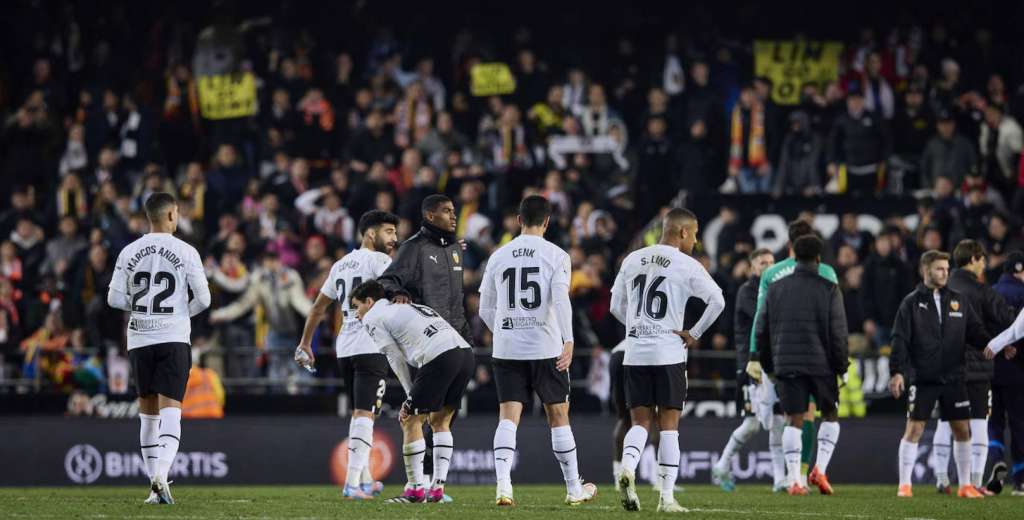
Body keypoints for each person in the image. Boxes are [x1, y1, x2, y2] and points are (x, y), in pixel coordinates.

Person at [478, 196, 597, 506]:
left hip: (507, 348)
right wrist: (568, 339)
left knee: (508, 416)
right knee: (558, 415)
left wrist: (504, 330)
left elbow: (484, 308)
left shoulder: (498, 256)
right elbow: (560, 299)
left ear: (519, 220)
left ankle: (503, 486)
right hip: (546, 347)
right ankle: (573, 488)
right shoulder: (556, 255)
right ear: (547, 222)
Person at [610, 208, 725, 513]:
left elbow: (614, 306)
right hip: (669, 351)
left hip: (635, 352)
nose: (697, 240)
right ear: (683, 232)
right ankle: (667, 498)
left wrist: (635, 327)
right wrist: (694, 332)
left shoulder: (632, 259)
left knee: (640, 422)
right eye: (696, 233)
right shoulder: (687, 264)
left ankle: (628, 467)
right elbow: (718, 300)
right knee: (669, 426)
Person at [106, 192, 211, 505]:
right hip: (173, 339)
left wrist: (141, 310)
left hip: (139, 340)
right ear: (170, 216)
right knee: (171, 413)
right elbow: (204, 300)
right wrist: (179, 313)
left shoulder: (128, 251)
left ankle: (155, 489)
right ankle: (161, 476)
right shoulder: (186, 250)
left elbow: (113, 299)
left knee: (148, 417)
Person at [294, 210, 399, 500]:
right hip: (370, 344)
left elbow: (317, 307)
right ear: (370, 234)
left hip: (346, 347)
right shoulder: (381, 262)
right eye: (388, 231)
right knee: (365, 413)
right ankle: (351, 484)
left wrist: (305, 343)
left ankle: (364, 478)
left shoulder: (340, 264)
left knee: (360, 413)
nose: (394, 238)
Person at [350, 280, 475, 504]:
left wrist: (410, 395)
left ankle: (416, 491)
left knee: (409, 420)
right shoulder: (407, 306)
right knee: (440, 421)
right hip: (465, 354)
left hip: (441, 355)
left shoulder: (373, 317)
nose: (356, 314)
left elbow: (394, 357)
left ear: (369, 302)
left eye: (356, 306)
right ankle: (436, 489)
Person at [889, 250, 992, 499]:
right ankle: (905, 484)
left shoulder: (959, 300)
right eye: (940, 269)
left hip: (955, 377)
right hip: (923, 378)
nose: (946, 273)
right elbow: (899, 340)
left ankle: (965, 485)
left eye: (947, 268)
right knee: (914, 430)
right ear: (926, 271)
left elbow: (976, 332)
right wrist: (897, 372)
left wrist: (997, 345)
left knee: (962, 431)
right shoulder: (911, 303)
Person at [746, 220, 840, 490]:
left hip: (779, 354)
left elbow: (760, 319)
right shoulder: (827, 273)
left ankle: (790, 477)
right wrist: (838, 359)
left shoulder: (771, 274)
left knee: (786, 417)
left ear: (790, 244)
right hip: (818, 355)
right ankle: (803, 473)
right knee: (809, 414)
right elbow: (834, 321)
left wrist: (755, 355)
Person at [931, 240, 1016, 495]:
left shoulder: (943, 288)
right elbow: (1007, 318)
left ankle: (942, 478)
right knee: (978, 422)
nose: (985, 265)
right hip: (978, 366)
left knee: (945, 423)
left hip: (945, 366)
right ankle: (975, 482)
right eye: (982, 260)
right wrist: (1004, 342)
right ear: (974, 259)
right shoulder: (981, 291)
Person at [712, 248, 787, 493]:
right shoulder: (748, 291)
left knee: (778, 421)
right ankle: (722, 465)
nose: (768, 266)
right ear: (752, 268)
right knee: (752, 423)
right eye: (763, 262)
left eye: (772, 262)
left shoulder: (777, 289)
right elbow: (763, 317)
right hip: (750, 366)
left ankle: (779, 480)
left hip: (773, 366)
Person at [986, 252, 1024, 494]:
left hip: (990, 368)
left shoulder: (988, 292)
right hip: (1018, 370)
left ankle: (996, 456)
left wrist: (993, 347)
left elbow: (979, 326)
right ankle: (1020, 478)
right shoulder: (1022, 294)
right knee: (1019, 424)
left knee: (994, 420)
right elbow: (1018, 330)